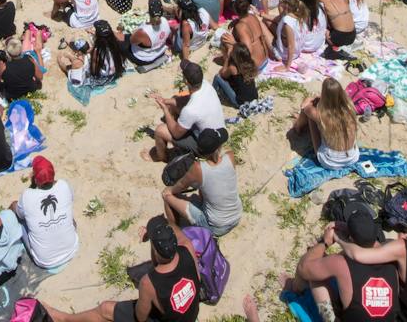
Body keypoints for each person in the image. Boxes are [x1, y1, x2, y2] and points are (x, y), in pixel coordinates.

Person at [47, 216, 199, 322]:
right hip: (189, 315)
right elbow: (174, 228)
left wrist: (155, 229)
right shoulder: (187, 248)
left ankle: (63, 319)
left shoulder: (149, 282)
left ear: (154, 249)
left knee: (105, 309)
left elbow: (140, 317)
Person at [292, 209, 401, 322]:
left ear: (351, 238)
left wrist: (324, 242)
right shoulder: (392, 255)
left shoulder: (340, 263)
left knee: (316, 274)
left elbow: (303, 268)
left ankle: (295, 291)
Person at [161, 126, 241, 238]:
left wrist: (170, 189)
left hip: (216, 227)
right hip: (236, 215)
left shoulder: (198, 169)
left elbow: (177, 188)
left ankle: (175, 234)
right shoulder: (230, 156)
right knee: (205, 188)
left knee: (166, 195)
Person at [149, 59, 223, 161]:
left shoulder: (190, 110)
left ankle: (161, 157)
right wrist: (166, 101)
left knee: (160, 130)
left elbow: (176, 133)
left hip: (206, 148)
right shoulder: (206, 85)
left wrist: (165, 109)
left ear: (186, 81)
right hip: (218, 135)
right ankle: (177, 124)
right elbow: (187, 99)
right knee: (174, 101)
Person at [16, 157, 79, 272]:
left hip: (44, 261)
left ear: (35, 179)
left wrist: (32, 185)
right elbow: (70, 199)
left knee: (19, 217)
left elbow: (20, 216)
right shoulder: (64, 185)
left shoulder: (26, 195)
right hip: (72, 249)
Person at [290, 76, 361, 171]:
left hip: (330, 161)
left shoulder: (321, 116)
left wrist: (314, 98)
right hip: (352, 157)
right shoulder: (350, 107)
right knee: (317, 118)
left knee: (311, 117)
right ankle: (299, 124)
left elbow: (304, 106)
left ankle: (297, 127)